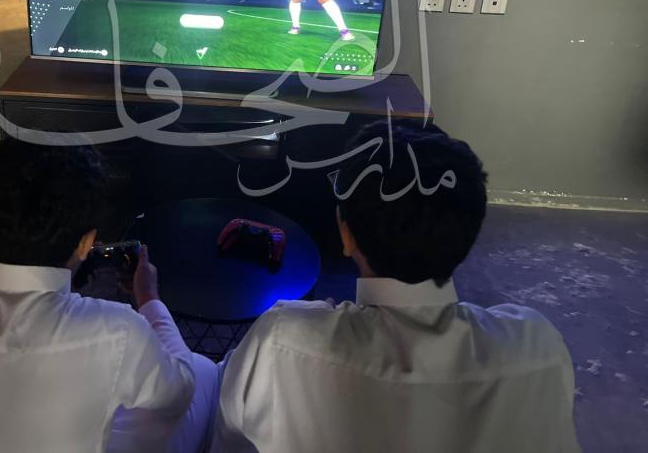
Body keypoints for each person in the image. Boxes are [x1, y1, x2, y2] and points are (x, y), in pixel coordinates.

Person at [211, 120, 580, 452]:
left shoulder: (281, 340)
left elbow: (226, 440)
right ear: (469, 231)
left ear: (346, 234)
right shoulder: (539, 347)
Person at [0, 138, 217, 453]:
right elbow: (180, 392)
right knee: (202, 373)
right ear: (86, 243)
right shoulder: (118, 332)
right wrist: (148, 297)